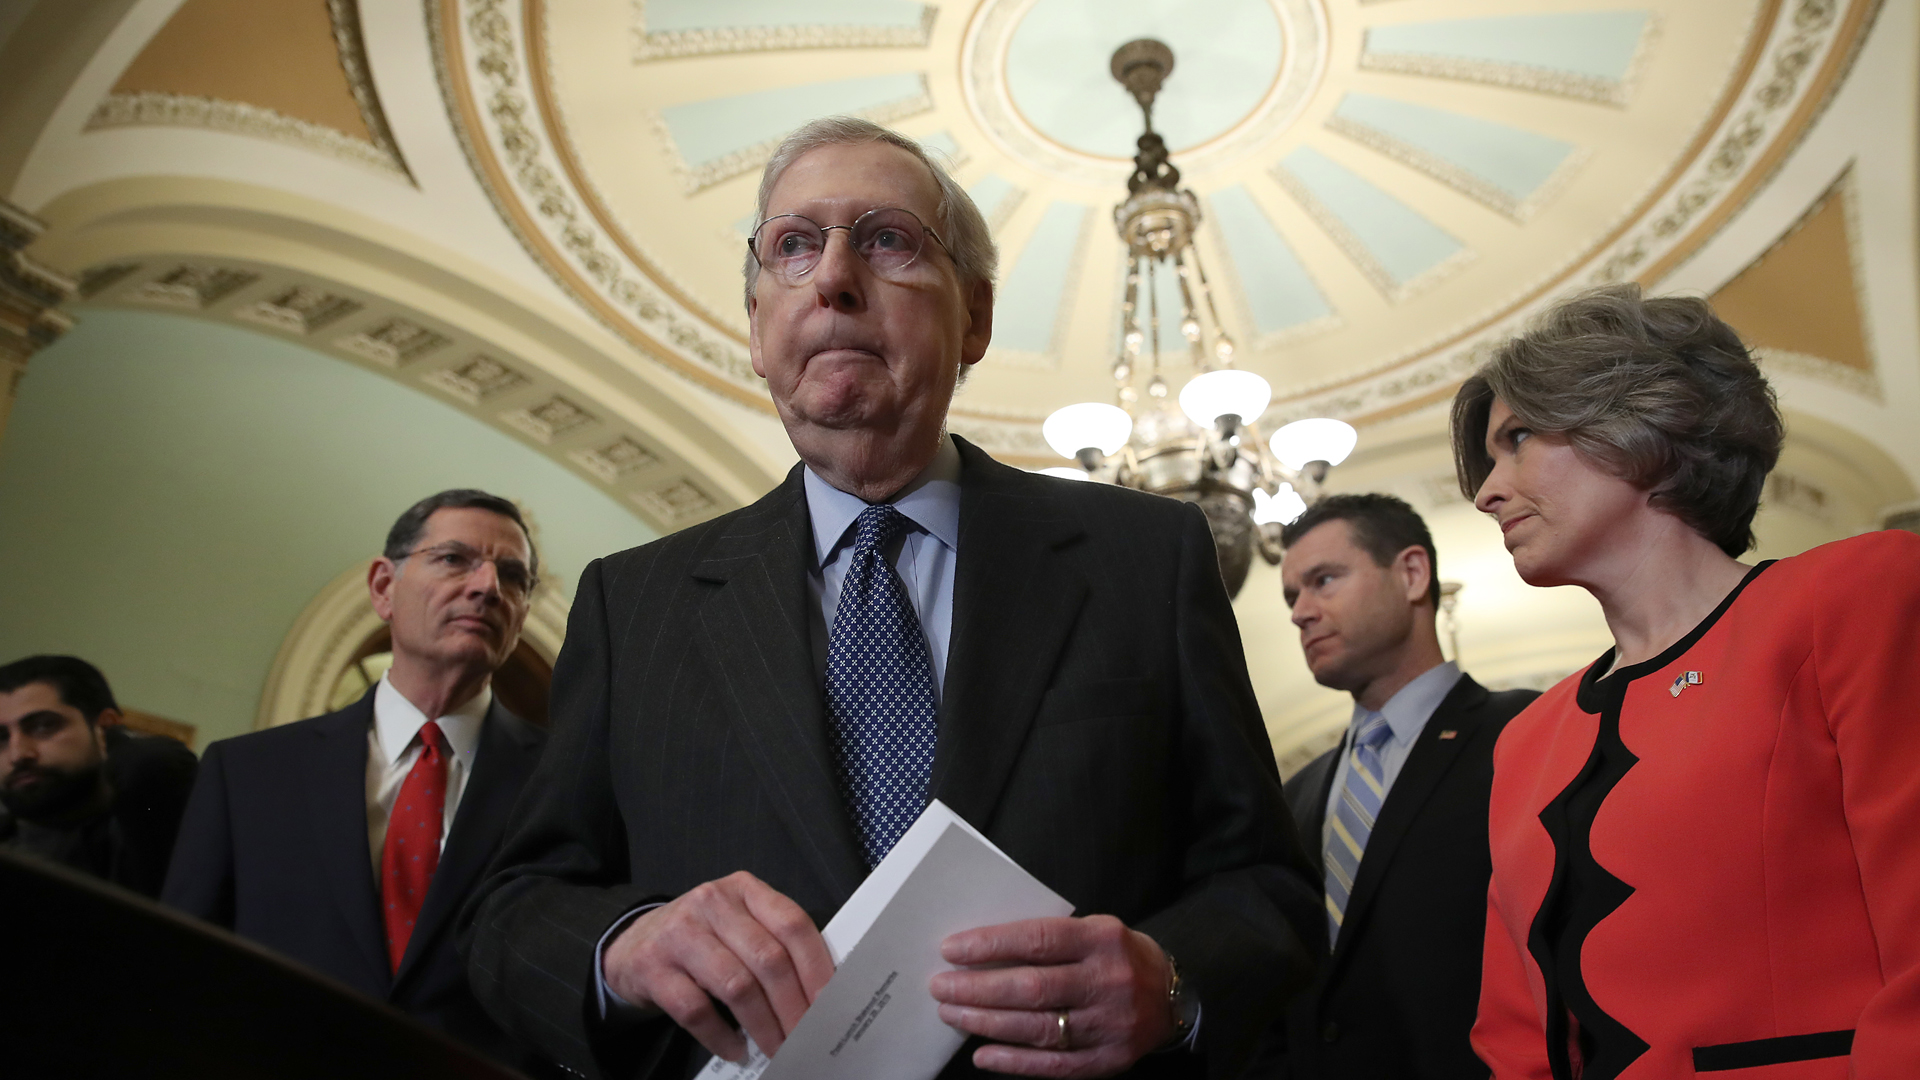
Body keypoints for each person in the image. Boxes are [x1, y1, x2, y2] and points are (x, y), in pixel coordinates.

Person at [461, 116, 1320, 1080]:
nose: (832, 278)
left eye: (886, 239)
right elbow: (510, 914)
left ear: (976, 320)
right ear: (755, 327)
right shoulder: (635, 604)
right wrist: (624, 949)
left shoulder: (1143, 557)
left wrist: (1172, 984)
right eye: (792, 245)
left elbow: (1269, 892)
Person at [1451, 284, 1920, 1079]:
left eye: (1519, 437)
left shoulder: (1853, 598)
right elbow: (1514, 1037)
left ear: (1635, 421)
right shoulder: (1528, 736)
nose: (1485, 491)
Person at [163, 490, 550, 1068]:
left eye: (513, 576)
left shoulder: (564, 782)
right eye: (454, 559)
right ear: (383, 588)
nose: (487, 586)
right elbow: (178, 975)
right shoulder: (246, 774)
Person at [1265, 495, 1538, 1079]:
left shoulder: (1525, 736)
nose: (1300, 612)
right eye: (1293, 595)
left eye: (1324, 580)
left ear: (1412, 574)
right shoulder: (1293, 797)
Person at [0, 654, 198, 898]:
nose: (18, 754)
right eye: (1, 739)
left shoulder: (144, 826)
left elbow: (151, 763)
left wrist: (117, 741)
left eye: (42, 726)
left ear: (105, 727)